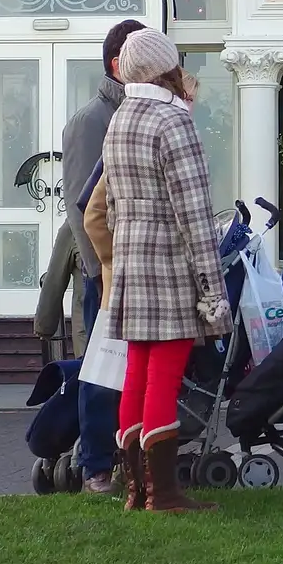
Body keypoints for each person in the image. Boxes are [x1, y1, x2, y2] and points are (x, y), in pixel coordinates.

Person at [103, 30, 231, 515]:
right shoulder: (172, 121)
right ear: (167, 68)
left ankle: (136, 490)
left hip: (132, 260)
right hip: (170, 264)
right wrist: (212, 290)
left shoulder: (119, 120)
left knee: (136, 373)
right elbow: (195, 216)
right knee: (164, 378)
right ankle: (165, 493)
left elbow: (112, 205)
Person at [60, 18, 146, 494]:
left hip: (138, 269)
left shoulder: (138, 114)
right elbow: (81, 204)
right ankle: (94, 462)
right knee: (103, 368)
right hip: (108, 274)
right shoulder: (92, 121)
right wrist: (99, 271)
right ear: (120, 63)